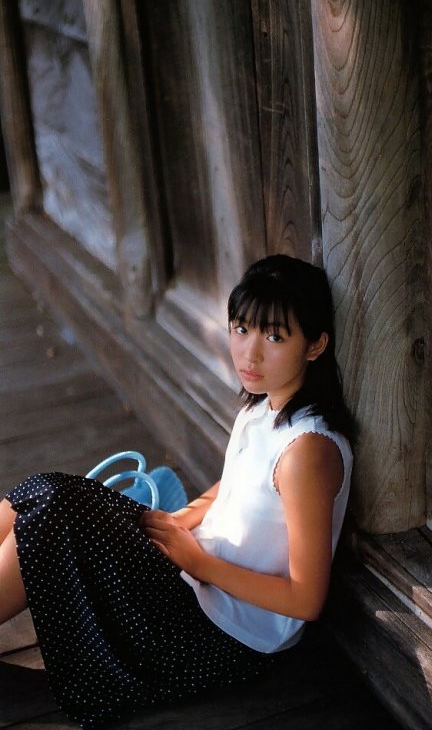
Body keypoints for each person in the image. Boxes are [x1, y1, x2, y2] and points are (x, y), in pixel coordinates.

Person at [0, 254, 354, 728]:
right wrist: (182, 519)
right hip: (194, 581)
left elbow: (306, 600)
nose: (249, 353)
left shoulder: (308, 452)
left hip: (222, 637)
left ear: (315, 345)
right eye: (241, 329)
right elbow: (240, 481)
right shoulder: (262, 409)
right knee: (45, 494)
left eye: (274, 337)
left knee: (54, 509)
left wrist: (198, 562)